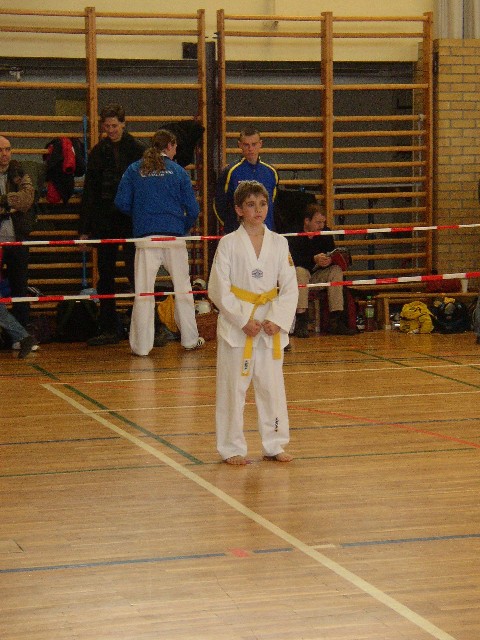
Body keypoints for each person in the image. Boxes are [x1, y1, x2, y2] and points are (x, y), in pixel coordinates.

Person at [208, 180, 298, 465]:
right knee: (232, 389)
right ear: (238, 210)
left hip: (269, 326)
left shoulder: (279, 243)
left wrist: (278, 318)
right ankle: (231, 447)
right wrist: (242, 319)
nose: (258, 210)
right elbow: (217, 289)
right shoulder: (228, 244)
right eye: (250, 205)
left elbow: (290, 286)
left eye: (262, 204)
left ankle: (275, 443)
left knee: (272, 389)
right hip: (238, 327)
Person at [114, 129, 204, 356]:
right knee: (183, 290)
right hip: (174, 237)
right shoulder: (179, 171)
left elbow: (121, 202)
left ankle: (141, 346)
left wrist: (141, 215)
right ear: (170, 146)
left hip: (146, 238)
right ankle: (190, 340)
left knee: (144, 292)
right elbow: (193, 209)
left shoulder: (134, 169)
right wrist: (181, 227)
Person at [79, 103, 146, 346]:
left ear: (123, 124)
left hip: (131, 222)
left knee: (136, 274)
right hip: (104, 221)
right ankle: (108, 327)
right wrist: (84, 230)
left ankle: (145, 326)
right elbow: (90, 191)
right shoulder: (98, 152)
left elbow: (145, 189)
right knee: (105, 275)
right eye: (107, 126)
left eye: (114, 126)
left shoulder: (138, 149)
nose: (111, 130)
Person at [287, 202, 355, 337]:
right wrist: (314, 259)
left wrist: (329, 260)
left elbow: (331, 252)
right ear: (307, 221)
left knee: (336, 270)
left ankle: (336, 320)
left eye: (323, 222)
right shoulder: (294, 234)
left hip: (319, 273)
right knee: (299, 271)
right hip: (301, 274)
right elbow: (291, 260)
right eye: (318, 222)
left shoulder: (326, 233)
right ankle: (301, 320)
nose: (321, 226)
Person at [0, 135, 35, 332]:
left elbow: (27, 200)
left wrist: (4, 200)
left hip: (18, 240)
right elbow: (18, 201)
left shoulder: (19, 172)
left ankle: (22, 335)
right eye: (0, 150)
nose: (4, 154)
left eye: (8, 149)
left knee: (20, 288)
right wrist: (12, 205)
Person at [214, 127, 278, 234]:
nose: (250, 148)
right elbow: (219, 204)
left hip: (265, 232)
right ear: (240, 145)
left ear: (260, 144)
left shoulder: (271, 172)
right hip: (239, 232)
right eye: (246, 145)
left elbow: (272, 203)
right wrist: (231, 227)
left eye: (254, 144)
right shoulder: (230, 172)